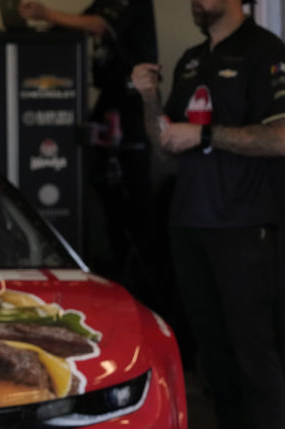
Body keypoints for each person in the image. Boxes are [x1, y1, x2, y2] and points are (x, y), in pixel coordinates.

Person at [131, 0, 285, 427]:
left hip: (243, 225)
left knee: (254, 354)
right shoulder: (191, 60)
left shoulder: (266, 50)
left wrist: (201, 134)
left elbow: (280, 138)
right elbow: (165, 144)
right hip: (190, 223)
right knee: (211, 357)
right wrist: (149, 99)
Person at [18, 0, 159, 302]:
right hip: (110, 100)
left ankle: (146, 288)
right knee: (105, 195)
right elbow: (81, 22)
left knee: (135, 204)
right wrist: (42, 24)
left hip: (131, 105)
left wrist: (44, 13)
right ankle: (115, 270)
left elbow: (97, 25)